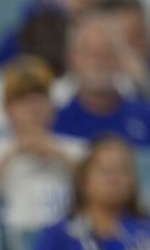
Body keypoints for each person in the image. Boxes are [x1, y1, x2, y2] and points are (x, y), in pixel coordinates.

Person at [33, 137, 150, 250]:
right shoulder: (58, 235)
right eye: (105, 171)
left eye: (123, 170)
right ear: (84, 180)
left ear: (133, 181)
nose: (114, 179)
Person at [0, 56, 85, 250]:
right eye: (22, 100)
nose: (33, 108)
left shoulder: (77, 149)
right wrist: (14, 152)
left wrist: (57, 153)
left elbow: (101, 191)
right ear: (8, 109)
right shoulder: (2, 151)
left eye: (40, 98)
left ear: (52, 106)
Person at [52, 12, 150, 148]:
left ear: (121, 61)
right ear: (71, 59)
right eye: (90, 54)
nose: (99, 62)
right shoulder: (52, 123)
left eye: (107, 53)